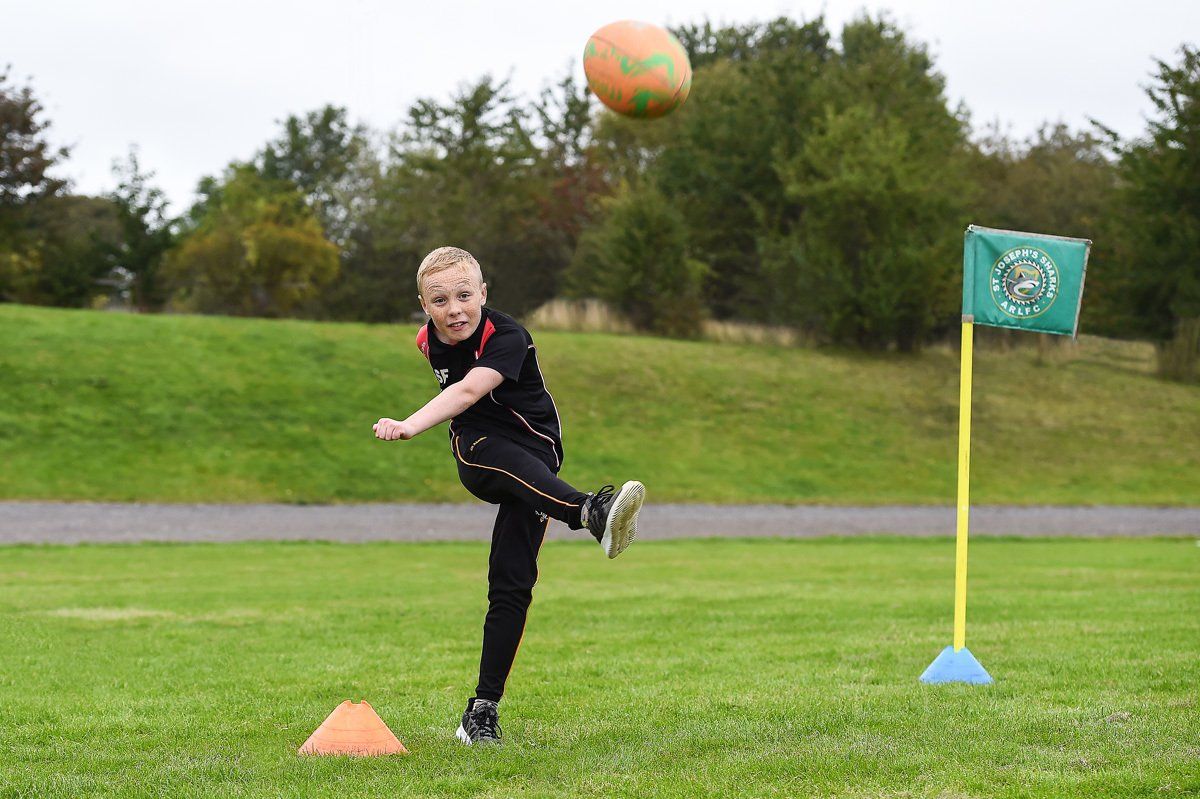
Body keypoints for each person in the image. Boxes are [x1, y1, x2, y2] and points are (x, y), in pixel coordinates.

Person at [372, 246, 646, 746]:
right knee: (486, 450)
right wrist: (413, 425)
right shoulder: (426, 341)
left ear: (483, 293)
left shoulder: (510, 335)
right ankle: (590, 511)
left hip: (537, 456)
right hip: (479, 447)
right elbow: (464, 404)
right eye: (439, 300)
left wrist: (410, 424)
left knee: (512, 584)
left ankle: (480, 713)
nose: (454, 309)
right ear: (423, 304)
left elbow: (470, 389)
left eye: (463, 296)